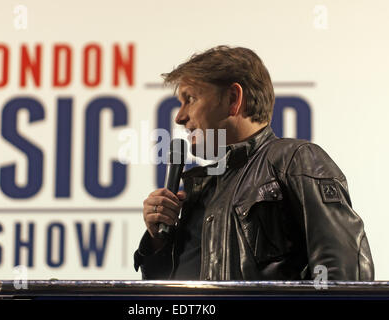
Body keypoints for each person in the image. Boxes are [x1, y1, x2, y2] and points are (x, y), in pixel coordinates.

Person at [133, 45, 374, 281]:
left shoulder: (295, 160)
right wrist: (158, 240)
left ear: (233, 98)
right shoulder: (201, 187)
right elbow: (163, 291)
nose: (179, 116)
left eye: (191, 99)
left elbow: (346, 276)